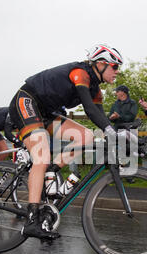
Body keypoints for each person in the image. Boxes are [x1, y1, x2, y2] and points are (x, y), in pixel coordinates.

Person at [7, 44, 135, 240]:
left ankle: (52, 168)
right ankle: (31, 221)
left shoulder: (96, 90)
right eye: (114, 67)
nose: (117, 72)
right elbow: (89, 110)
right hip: (27, 100)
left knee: (87, 137)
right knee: (41, 155)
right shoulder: (80, 74)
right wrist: (111, 132)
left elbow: (100, 118)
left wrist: (116, 134)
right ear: (100, 64)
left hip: (46, 113)